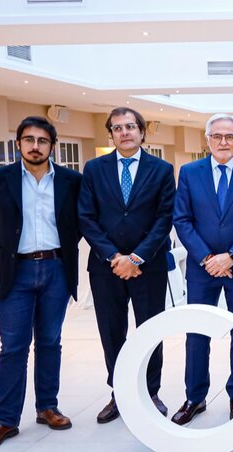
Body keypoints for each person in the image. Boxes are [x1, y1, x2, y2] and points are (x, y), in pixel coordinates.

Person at [0, 116, 82, 452]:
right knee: (14, 348)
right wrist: (12, 249)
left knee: (50, 341)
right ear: (18, 143)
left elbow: (77, 223)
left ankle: (47, 406)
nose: (35, 146)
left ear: (53, 145)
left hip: (55, 270)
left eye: (42, 141)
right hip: (16, 271)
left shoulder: (70, 181)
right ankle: (5, 419)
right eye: (29, 139)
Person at [171, 114, 233, 424]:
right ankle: (195, 397)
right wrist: (206, 259)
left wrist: (231, 256)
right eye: (217, 136)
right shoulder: (190, 172)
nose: (223, 141)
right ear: (208, 139)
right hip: (202, 270)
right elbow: (182, 220)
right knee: (197, 334)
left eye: (229, 136)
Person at [79, 107, 176, 423]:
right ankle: (119, 392)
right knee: (112, 331)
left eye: (130, 126)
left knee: (149, 329)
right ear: (110, 134)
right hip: (106, 267)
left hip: (148, 265)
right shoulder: (94, 169)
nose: (124, 132)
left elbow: (164, 218)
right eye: (117, 128)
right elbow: (86, 217)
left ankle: (150, 392)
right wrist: (114, 256)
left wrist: (136, 257)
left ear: (142, 132)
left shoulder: (161, 170)